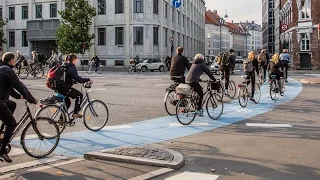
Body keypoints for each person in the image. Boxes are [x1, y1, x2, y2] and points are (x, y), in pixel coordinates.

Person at [0, 52, 38, 163]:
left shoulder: (2, 69)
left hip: (2, 100)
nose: (16, 61)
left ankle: (2, 131)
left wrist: (19, 96)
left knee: (12, 104)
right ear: (10, 60)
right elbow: (19, 85)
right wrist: (31, 99)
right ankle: (2, 150)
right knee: (12, 123)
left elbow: (9, 88)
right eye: (15, 59)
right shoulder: (8, 71)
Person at [56, 54, 91, 119]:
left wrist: (73, 81)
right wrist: (87, 79)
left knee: (67, 103)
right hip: (65, 88)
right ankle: (75, 113)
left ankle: (61, 119)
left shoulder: (64, 65)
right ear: (74, 60)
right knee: (79, 96)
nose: (76, 61)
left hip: (59, 87)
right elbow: (77, 78)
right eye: (76, 60)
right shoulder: (72, 67)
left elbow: (68, 77)